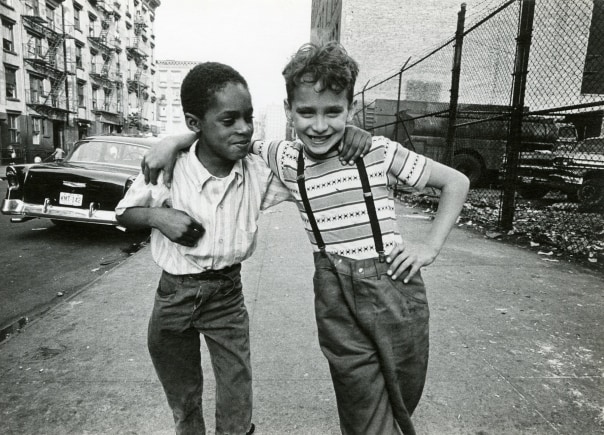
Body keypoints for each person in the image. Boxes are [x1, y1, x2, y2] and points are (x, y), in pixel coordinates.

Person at [143, 42, 470, 435]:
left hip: (395, 291)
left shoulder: (376, 152)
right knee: (360, 399)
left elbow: (456, 181)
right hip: (334, 293)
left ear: (350, 111)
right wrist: (172, 141)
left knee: (402, 391)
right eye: (306, 112)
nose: (319, 125)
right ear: (288, 112)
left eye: (333, 112)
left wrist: (428, 246)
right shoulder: (283, 157)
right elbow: (221, 135)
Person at [115, 62, 293, 435]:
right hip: (173, 296)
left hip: (227, 295)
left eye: (248, 117)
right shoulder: (169, 169)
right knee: (183, 394)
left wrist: (352, 136)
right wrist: (159, 218)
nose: (244, 128)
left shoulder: (257, 172)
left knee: (236, 389)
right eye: (229, 120)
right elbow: (124, 214)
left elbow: (308, 163)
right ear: (195, 123)